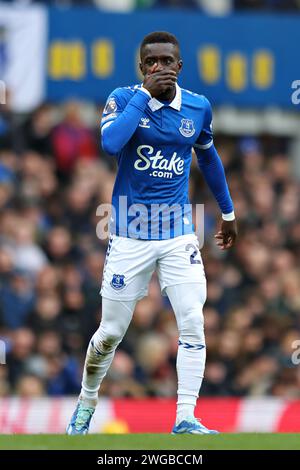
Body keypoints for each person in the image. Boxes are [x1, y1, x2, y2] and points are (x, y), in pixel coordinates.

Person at [67, 31, 237, 435]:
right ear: (142, 68)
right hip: (129, 232)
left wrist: (228, 212)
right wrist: (145, 94)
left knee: (193, 320)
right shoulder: (124, 99)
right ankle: (86, 403)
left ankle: (185, 417)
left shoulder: (197, 107)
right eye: (152, 62)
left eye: (167, 61)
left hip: (179, 232)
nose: (160, 67)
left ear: (180, 66)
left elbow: (208, 157)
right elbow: (110, 143)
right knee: (110, 334)